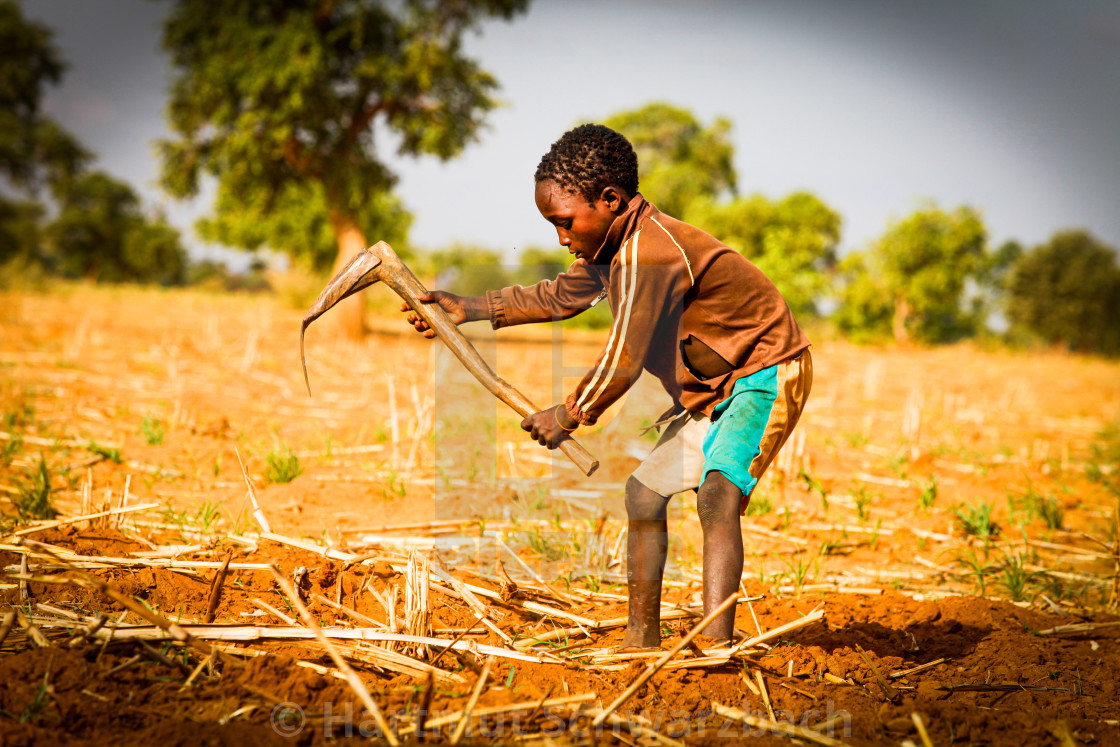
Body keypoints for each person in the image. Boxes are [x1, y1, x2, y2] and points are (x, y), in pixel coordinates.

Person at [401, 123, 812, 648]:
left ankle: (716, 647)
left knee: (718, 494)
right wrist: (471, 308)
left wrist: (569, 413)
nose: (560, 237)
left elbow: (625, 356)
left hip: (763, 373)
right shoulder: (612, 250)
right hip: (712, 392)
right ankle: (642, 642)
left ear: (611, 199)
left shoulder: (651, 252)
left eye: (564, 221)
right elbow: (557, 297)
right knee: (643, 495)